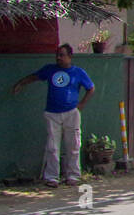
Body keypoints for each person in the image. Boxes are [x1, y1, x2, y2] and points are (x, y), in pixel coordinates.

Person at [12, 44, 95, 188]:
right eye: (57, 55)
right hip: (52, 113)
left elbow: (91, 88)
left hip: (71, 112)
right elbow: (35, 77)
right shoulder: (50, 70)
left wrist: (81, 105)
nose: (58, 58)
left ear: (70, 56)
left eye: (62, 55)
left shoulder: (78, 72)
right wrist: (21, 84)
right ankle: (52, 177)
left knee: (73, 145)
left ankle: (73, 175)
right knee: (52, 146)